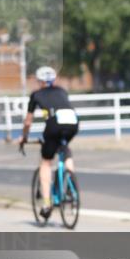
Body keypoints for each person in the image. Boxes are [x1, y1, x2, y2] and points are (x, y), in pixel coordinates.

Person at [18, 67, 79, 220]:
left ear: (39, 81)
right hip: (72, 122)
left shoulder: (36, 94)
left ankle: (46, 204)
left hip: (54, 125)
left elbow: (28, 121)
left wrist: (24, 137)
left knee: (45, 162)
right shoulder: (62, 91)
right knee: (65, 150)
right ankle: (71, 181)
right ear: (54, 80)